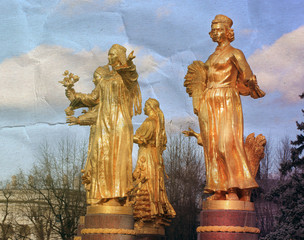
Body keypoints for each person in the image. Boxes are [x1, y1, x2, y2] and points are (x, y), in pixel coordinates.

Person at [183, 15, 265, 201]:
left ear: (228, 32)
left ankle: (235, 188)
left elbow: (247, 75)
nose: (215, 32)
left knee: (226, 144)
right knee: (211, 146)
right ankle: (218, 188)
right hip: (209, 100)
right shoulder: (211, 57)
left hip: (227, 99)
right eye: (213, 29)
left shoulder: (235, 53)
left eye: (219, 29)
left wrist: (251, 82)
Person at [66, 44, 142, 205]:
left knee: (119, 158)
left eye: (112, 55)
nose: (109, 58)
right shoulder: (105, 78)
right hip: (104, 121)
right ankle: (105, 193)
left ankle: (119, 193)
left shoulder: (125, 76)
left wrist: (128, 65)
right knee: (102, 156)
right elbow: (93, 98)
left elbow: (132, 76)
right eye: (108, 55)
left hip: (120, 121)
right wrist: (74, 96)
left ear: (119, 56)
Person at [133, 98, 176, 224]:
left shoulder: (149, 122)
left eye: (146, 106)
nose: (144, 108)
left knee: (146, 182)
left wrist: (128, 135)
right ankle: (156, 211)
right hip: (155, 157)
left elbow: (141, 139)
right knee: (154, 183)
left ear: (150, 107)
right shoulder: (158, 123)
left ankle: (147, 213)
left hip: (147, 156)